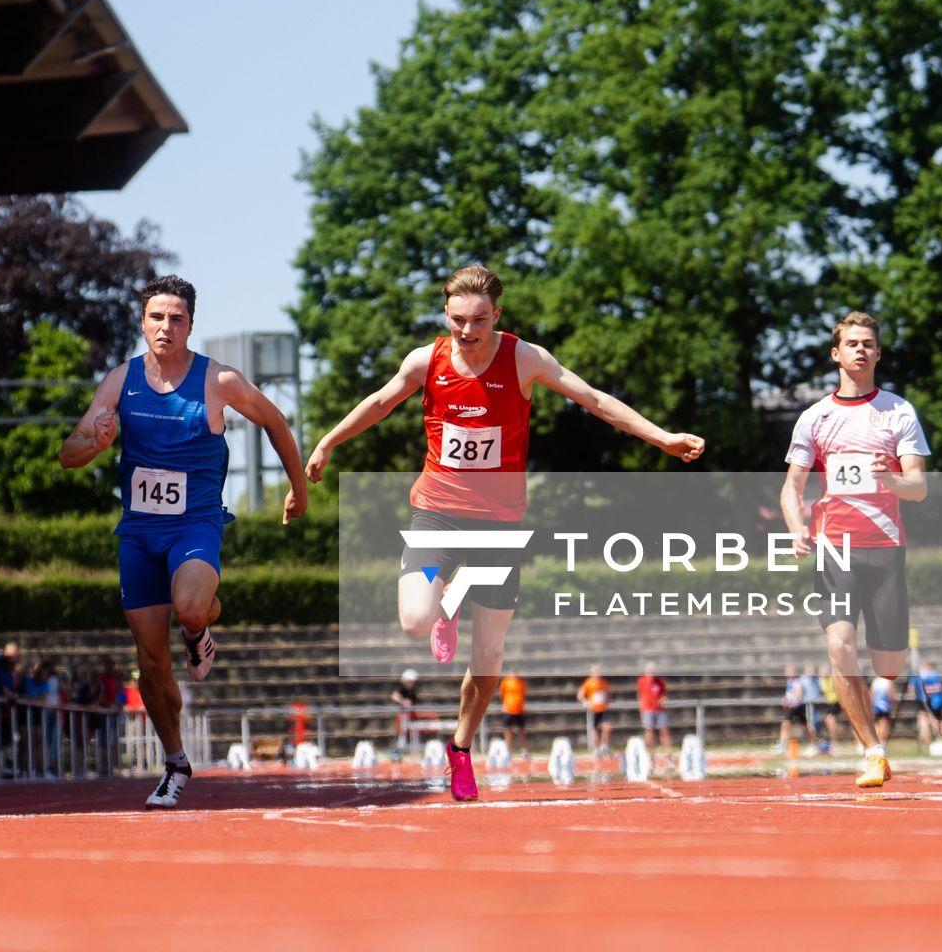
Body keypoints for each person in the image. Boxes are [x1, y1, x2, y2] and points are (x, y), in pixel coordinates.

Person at [305, 264, 703, 802]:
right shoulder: (427, 361)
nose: (467, 332)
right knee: (414, 619)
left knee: (489, 657)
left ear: (498, 315)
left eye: (479, 321)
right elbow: (380, 402)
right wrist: (328, 442)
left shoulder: (525, 358)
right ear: (445, 314)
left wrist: (662, 438)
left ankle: (461, 749)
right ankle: (446, 599)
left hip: (497, 527)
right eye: (457, 320)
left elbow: (595, 400)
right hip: (438, 515)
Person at [58, 275, 309, 809]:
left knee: (191, 605)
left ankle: (201, 627)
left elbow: (275, 420)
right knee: (151, 664)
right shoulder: (120, 381)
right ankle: (175, 763)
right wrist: (97, 441)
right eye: (156, 317)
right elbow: (69, 452)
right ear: (143, 322)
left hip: (195, 525)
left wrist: (298, 490)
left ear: (191, 324)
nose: (165, 326)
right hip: (139, 533)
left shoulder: (219, 380)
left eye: (176, 318)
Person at [778, 311, 930, 790]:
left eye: (869, 343)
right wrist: (796, 527)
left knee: (888, 666)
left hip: (885, 549)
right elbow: (791, 487)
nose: (861, 350)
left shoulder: (898, 411)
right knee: (840, 646)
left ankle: (876, 731)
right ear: (836, 353)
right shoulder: (814, 417)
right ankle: (873, 751)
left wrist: (889, 479)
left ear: (878, 353)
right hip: (833, 547)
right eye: (852, 343)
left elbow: (919, 488)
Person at [636, 663, 671, 767]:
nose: (650, 675)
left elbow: (664, 694)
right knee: (649, 731)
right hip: (648, 709)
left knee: (664, 731)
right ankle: (651, 756)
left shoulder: (660, 682)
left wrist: (663, 699)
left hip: (659, 709)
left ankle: (668, 756)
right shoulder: (642, 681)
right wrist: (641, 707)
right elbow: (639, 694)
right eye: (649, 673)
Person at [577, 667, 612, 754]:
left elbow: (607, 694)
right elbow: (580, 695)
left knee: (607, 727)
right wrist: (586, 703)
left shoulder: (604, 683)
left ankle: (604, 746)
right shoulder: (589, 683)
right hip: (594, 709)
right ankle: (596, 748)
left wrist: (607, 701)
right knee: (595, 729)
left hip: (603, 709)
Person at [913, 660, 942, 744]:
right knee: (933, 720)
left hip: (927, 701)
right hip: (936, 701)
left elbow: (912, 688)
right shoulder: (934, 674)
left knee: (926, 720)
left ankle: (929, 741)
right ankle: (937, 739)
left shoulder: (919, 675)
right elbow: (940, 687)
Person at [499, 671, 527, 760]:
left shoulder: (521, 682)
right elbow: (502, 694)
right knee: (508, 731)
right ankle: (508, 751)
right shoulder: (506, 682)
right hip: (509, 710)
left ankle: (524, 751)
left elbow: (523, 694)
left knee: (522, 731)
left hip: (519, 710)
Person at [391, 668, 422, 750]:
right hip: (404, 715)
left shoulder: (413, 690)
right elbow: (394, 696)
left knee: (413, 730)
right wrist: (402, 701)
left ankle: (413, 745)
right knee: (403, 728)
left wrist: (409, 703)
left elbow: (413, 701)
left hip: (412, 715)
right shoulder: (402, 689)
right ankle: (401, 744)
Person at [870, 673, 894, 746]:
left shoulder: (875, 681)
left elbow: (871, 694)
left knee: (877, 724)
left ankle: (876, 741)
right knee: (884, 724)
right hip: (884, 705)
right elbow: (891, 694)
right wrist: (894, 704)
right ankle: (882, 742)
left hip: (875, 705)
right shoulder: (888, 681)